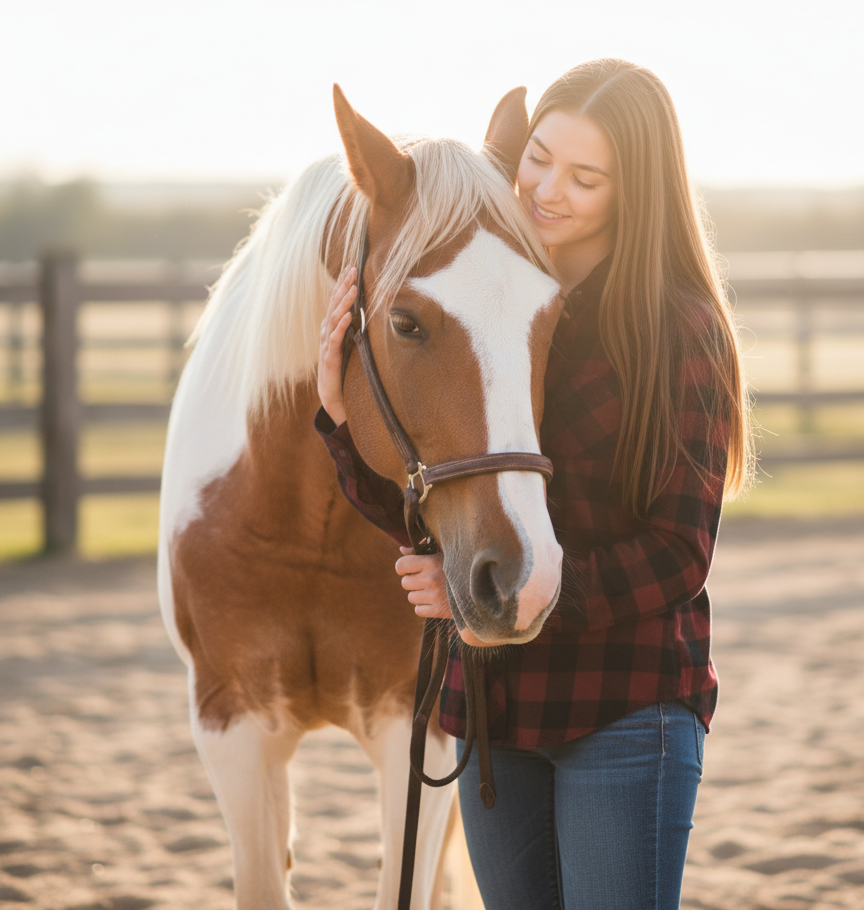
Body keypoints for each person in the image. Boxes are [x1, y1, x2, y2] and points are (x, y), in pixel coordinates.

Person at [315, 59, 751, 910]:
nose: (548, 190)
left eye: (586, 178)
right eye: (540, 158)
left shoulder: (679, 329)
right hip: (493, 709)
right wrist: (340, 419)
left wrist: (545, 591)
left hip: (624, 704)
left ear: (635, 193)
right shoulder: (493, 302)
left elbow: (680, 552)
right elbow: (444, 506)